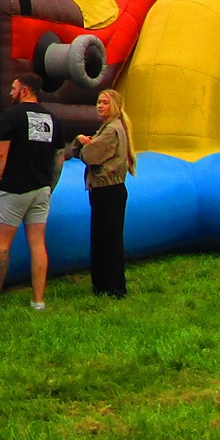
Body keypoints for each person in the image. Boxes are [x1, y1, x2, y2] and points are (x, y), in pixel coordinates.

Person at [0, 77, 60, 311]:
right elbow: (58, 157)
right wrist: (49, 186)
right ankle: (38, 301)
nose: (10, 92)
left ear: (24, 90)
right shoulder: (52, 118)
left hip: (14, 189)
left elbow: (0, 155)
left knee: (2, 245)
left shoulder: (11, 116)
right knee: (37, 244)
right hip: (41, 189)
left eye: (13, 88)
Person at [63, 87, 136, 296]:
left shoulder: (111, 130)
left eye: (104, 103)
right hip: (108, 189)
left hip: (107, 190)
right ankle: (106, 285)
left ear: (114, 106)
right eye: (98, 102)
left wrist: (80, 142)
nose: (100, 106)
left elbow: (89, 155)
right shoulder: (109, 128)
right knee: (105, 238)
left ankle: (111, 286)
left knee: (107, 239)